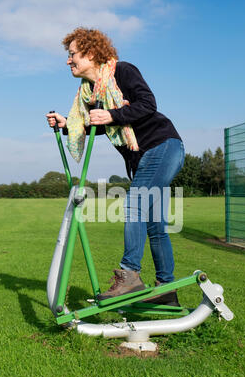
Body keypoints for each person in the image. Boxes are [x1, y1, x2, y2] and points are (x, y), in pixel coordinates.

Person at [46, 27, 185, 306]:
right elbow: (95, 124)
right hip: (143, 157)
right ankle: (166, 291)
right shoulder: (91, 93)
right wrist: (67, 124)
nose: (68, 60)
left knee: (134, 204)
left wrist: (111, 114)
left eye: (72, 54)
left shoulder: (122, 71)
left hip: (162, 145)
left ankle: (130, 274)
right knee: (155, 225)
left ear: (91, 53)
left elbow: (148, 104)